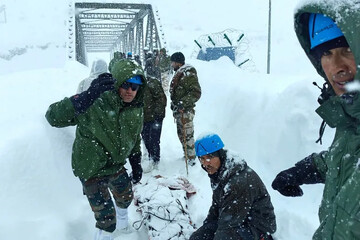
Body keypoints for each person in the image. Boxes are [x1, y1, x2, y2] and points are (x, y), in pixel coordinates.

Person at [272, 2, 360, 239]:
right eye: (327, 54)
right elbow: (349, 157)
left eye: (348, 50)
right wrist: (303, 171)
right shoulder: (351, 121)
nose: (337, 66)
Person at [45, 60, 146, 240]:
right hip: (91, 166)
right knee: (106, 220)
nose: (131, 90)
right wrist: (85, 98)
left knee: (126, 197)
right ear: (117, 83)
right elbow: (53, 116)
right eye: (126, 84)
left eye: (136, 86)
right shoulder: (95, 102)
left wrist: (136, 160)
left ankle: (124, 228)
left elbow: (134, 135)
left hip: (114, 163)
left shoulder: (135, 109)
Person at [190, 133, 276, 240]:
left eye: (209, 157)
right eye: (201, 158)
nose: (205, 163)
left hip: (257, 226)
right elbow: (216, 206)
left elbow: (228, 224)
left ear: (220, 155)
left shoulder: (238, 182)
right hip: (237, 217)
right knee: (198, 237)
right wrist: (206, 228)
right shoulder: (218, 172)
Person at [169, 52, 201, 166]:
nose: (171, 64)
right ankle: (187, 154)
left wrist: (183, 103)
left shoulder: (188, 73)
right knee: (182, 134)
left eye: (173, 62)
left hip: (185, 111)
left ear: (178, 62)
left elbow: (196, 92)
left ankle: (191, 159)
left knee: (187, 135)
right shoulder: (181, 72)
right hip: (180, 111)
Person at [141, 75, 167, 172]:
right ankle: (151, 157)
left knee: (154, 140)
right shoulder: (135, 84)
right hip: (144, 118)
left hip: (155, 118)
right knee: (146, 139)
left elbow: (161, 99)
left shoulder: (152, 83)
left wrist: (157, 116)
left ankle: (155, 160)